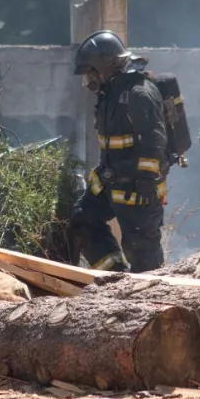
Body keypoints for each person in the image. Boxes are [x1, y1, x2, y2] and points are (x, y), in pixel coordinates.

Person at [69, 30, 170, 273]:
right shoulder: (110, 94)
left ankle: (154, 297)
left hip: (138, 189)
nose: (89, 81)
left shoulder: (139, 93)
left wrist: (147, 179)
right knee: (82, 219)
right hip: (112, 182)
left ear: (106, 65)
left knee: (142, 255)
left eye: (91, 73)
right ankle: (115, 279)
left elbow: (155, 140)